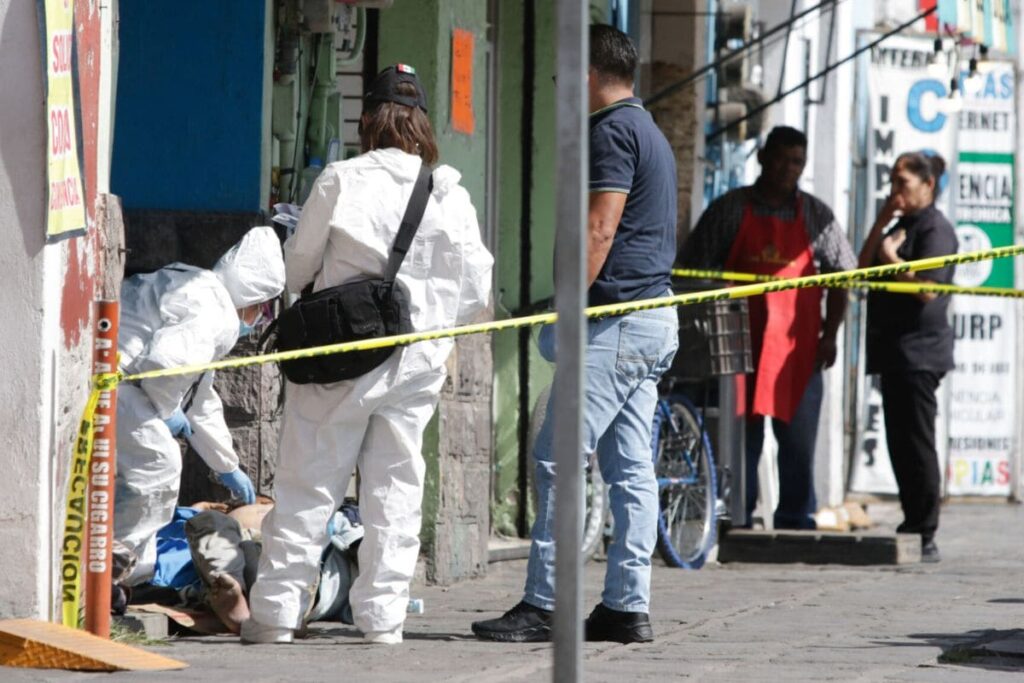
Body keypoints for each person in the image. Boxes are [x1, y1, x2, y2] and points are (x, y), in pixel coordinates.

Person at [241, 64, 493, 645]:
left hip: (339, 359)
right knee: (396, 491)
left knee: (309, 486)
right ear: (422, 123)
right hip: (417, 365)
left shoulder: (341, 178)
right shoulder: (449, 193)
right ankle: (383, 620)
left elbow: (297, 268)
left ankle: (277, 616)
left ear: (369, 119)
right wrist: (429, 324)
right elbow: (477, 290)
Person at [472, 24, 678, 645]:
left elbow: (599, 229)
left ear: (588, 73)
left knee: (556, 455)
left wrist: (568, 307)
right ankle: (625, 607)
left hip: (616, 322)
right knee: (630, 468)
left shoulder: (612, 131)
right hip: (650, 319)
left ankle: (545, 603)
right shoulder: (649, 129)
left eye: (565, 76)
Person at [679, 126, 856, 530]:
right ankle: (737, 516)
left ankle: (795, 519)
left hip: (799, 353)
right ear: (762, 157)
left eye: (796, 161)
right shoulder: (729, 209)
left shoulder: (816, 216)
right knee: (742, 440)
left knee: (798, 443)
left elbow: (844, 275)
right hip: (738, 346)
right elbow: (695, 271)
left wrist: (831, 335)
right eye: (780, 157)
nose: (786, 168)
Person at [115, 226, 286, 586]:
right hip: (121, 381)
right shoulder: (217, 312)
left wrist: (228, 467)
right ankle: (114, 564)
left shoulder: (202, 290)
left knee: (142, 475)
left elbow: (201, 400)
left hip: (119, 375)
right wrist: (166, 410)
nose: (260, 320)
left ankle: (130, 575)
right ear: (254, 299)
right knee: (157, 466)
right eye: (264, 311)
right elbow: (166, 362)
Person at [858, 151, 957, 563]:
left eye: (904, 183)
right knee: (899, 442)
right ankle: (911, 520)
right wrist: (882, 221)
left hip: (920, 352)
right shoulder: (899, 225)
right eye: (893, 182)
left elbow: (928, 289)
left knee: (917, 442)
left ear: (927, 185)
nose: (896, 191)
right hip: (894, 351)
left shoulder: (936, 230)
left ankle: (924, 528)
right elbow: (860, 268)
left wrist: (893, 260)